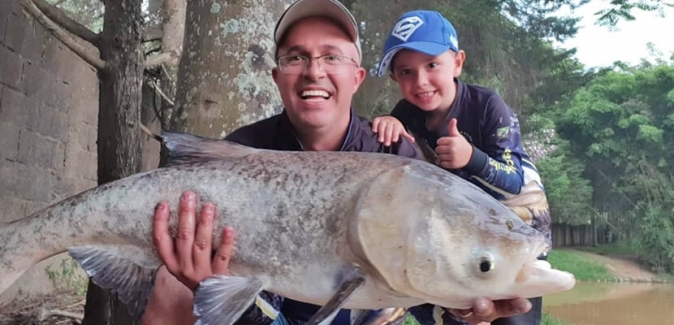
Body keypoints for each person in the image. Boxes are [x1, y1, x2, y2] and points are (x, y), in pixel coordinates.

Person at [141, 1, 535, 324]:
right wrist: (205, 282)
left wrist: (461, 303)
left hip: (360, 312)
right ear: (278, 77)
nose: (314, 71)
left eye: (332, 56)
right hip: (264, 307)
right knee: (172, 287)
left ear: (357, 77)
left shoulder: (394, 155)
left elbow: (416, 281)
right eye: (297, 57)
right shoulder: (243, 147)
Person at [370, 9, 553, 325]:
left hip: (517, 220)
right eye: (406, 72)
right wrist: (387, 122)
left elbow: (514, 181)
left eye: (431, 65)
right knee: (457, 309)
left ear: (457, 62)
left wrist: (472, 158)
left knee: (510, 312)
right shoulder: (404, 112)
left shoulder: (487, 105)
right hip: (460, 228)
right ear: (394, 77)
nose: (421, 81)